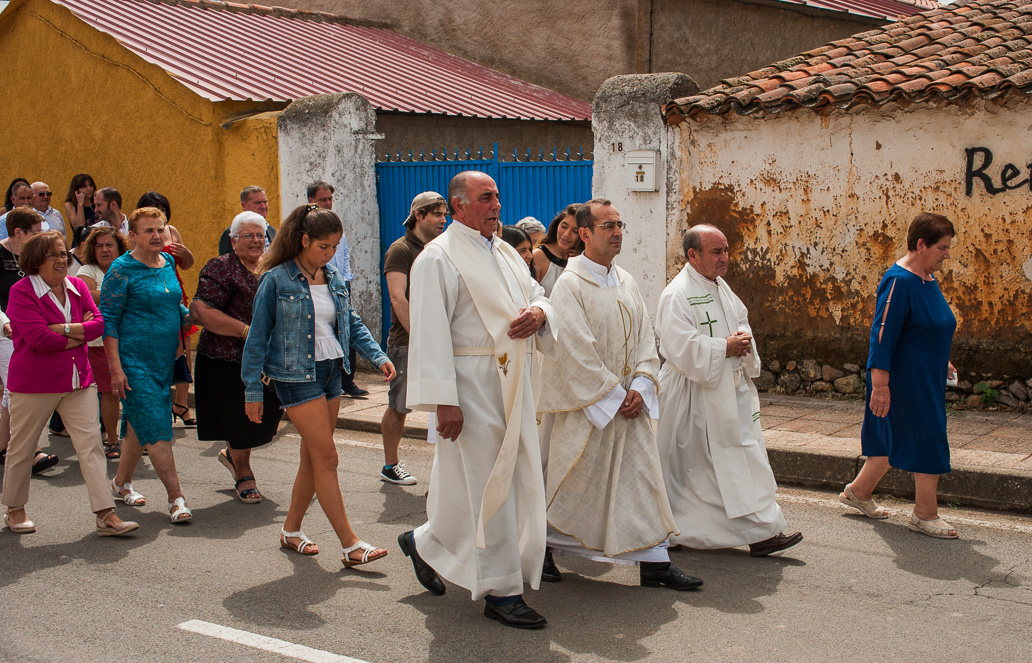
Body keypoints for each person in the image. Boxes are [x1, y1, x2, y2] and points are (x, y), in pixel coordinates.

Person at [399, 171, 557, 629]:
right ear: (459, 206)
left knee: (498, 479)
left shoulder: (507, 250)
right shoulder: (437, 258)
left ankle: (425, 542)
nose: (496, 205)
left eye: (498, 197)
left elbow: (537, 294)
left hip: (512, 381)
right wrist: (443, 401)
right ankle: (502, 590)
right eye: (485, 198)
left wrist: (539, 313)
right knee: (491, 482)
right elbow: (428, 331)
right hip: (470, 385)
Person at [538, 199, 702, 591]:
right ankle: (542, 548)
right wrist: (614, 395)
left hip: (632, 404)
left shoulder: (625, 279)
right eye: (608, 226)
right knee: (573, 485)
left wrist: (643, 385)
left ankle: (655, 563)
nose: (617, 232)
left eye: (619, 224)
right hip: (591, 409)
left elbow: (647, 338)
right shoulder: (570, 284)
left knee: (643, 482)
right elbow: (575, 350)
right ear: (585, 234)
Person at [242, 204, 394, 564]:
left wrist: (379, 356)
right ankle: (351, 544)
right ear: (304, 239)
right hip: (295, 377)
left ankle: (291, 530)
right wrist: (251, 390)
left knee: (312, 457)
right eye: (324, 247)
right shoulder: (276, 279)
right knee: (327, 456)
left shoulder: (334, 277)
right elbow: (257, 337)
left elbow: (351, 323)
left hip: (331, 372)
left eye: (335, 247)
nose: (330, 254)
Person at [656, 225, 803, 557]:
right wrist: (724, 346)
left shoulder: (720, 286)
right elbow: (677, 346)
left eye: (725, 250)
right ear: (693, 255)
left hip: (727, 390)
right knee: (701, 471)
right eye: (716, 252)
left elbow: (741, 319)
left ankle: (760, 530)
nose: (725, 258)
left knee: (742, 461)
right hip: (693, 397)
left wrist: (743, 340)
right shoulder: (676, 294)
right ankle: (681, 530)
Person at [1, 231, 138, 537]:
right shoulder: (22, 291)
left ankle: (105, 514)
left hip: (78, 380)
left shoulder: (77, 286)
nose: (63, 260)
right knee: (22, 448)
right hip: (33, 384)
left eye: (64, 254)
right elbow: (38, 338)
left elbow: (99, 325)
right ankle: (15, 508)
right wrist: (79, 335)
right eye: (54, 255)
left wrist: (64, 329)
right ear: (37, 261)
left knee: (91, 446)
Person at [841, 213, 959, 539]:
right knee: (929, 437)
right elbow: (882, 335)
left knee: (890, 438)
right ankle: (924, 514)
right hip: (904, 380)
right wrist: (880, 385)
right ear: (921, 245)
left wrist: (942, 358)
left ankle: (858, 492)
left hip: (926, 374)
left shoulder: (926, 277)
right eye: (942, 247)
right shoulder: (900, 282)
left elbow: (924, 327)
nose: (947, 254)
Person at [102, 207, 193, 524]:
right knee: (157, 425)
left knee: (138, 424)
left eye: (160, 229)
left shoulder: (167, 261)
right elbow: (109, 323)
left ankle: (120, 483)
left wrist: (190, 315)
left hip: (163, 359)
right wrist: (116, 368)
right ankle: (176, 499)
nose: (157, 236)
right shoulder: (121, 269)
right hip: (133, 361)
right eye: (149, 231)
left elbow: (174, 302)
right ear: (133, 236)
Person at [191, 212, 283, 504]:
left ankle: (233, 455)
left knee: (265, 421)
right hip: (226, 360)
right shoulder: (221, 267)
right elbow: (201, 311)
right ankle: (243, 471)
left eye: (260, 235)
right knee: (239, 421)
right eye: (248, 236)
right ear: (233, 241)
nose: (256, 241)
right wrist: (248, 332)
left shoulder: (276, 267)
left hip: (269, 362)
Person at [379, 191, 446, 486]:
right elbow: (398, 296)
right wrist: (420, 339)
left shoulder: (440, 248)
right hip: (408, 342)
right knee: (400, 405)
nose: (443, 220)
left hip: (440, 339)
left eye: (445, 214)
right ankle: (390, 465)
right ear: (419, 215)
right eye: (437, 214)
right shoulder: (401, 249)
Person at [0, 209, 55, 473]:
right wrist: (4, 321)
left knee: (11, 392)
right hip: (5, 331)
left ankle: (7, 446)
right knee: (16, 391)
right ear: (19, 232)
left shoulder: (36, 258)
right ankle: (30, 451)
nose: (41, 238)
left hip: (26, 333)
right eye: (35, 233)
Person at [136, 191, 197, 426]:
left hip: (174, 288)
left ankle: (181, 404)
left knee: (185, 347)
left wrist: (187, 254)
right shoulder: (138, 235)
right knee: (161, 350)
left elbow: (187, 265)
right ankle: (160, 404)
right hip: (151, 292)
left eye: (161, 207)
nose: (157, 210)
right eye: (151, 206)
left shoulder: (171, 231)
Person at [306, 181, 367, 399]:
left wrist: (346, 280)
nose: (328, 203)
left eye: (330, 199)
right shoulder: (306, 230)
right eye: (323, 199)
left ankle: (347, 379)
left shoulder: (336, 226)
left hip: (339, 285)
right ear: (311, 201)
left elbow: (344, 256)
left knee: (347, 330)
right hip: (317, 288)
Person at [76, 226, 129, 459]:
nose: (105, 250)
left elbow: (98, 296)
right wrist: (123, 291)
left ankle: (136, 438)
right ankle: (112, 439)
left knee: (133, 391)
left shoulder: (128, 266)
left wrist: (103, 294)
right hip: (99, 343)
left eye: (110, 245)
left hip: (130, 339)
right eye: (99, 246)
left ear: (119, 248)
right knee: (109, 393)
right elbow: (85, 295)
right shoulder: (87, 269)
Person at [530, 205, 580, 296]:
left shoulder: (581, 260)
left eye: (575, 231)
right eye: (564, 226)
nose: (566, 234)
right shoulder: (538, 256)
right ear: (557, 224)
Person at [218, 186, 275, 255]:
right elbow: (225, 263)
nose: (263, 206)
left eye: (265, 202)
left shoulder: (271, 230)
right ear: (244, 205)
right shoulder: (231, 233)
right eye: (257, 203)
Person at [63, 174, 100, 245]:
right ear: (76, 190)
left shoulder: (97, 203)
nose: (89, 189)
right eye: (84, 186)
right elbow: (79, 226)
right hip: (81, 244)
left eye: (90, 185)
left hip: (97, 242)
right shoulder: (70, 205)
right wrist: (80, 204)